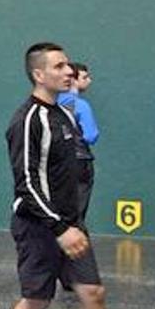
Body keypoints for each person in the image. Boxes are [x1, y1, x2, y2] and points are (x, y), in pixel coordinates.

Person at [0, 43, 155, 309]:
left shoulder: (62, 115)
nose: (68, 71)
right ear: (38, 75)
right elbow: (27, 184)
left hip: (71, 225)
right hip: (40, 226)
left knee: (92, 294)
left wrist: (72, 224)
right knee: (36, 299)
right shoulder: (29, 120)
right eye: (59, 66)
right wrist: (59, 228)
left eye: (68, 65)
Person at [57, 61, 99, 222]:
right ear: (72, 80)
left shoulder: (52, 103)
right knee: (77, 213)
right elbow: (91, 136)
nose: (89, 80)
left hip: (57, 163)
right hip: (80, 162)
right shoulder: (80, 105)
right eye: (85, 77)